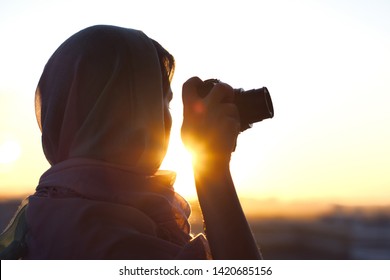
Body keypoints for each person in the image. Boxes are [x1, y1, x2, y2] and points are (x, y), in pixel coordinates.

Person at [0, 25, 261, 259]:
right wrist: (212, 166)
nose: (170, 121)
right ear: (129, 115)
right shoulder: (106, 238)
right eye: (163, 104)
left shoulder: (50, 213)